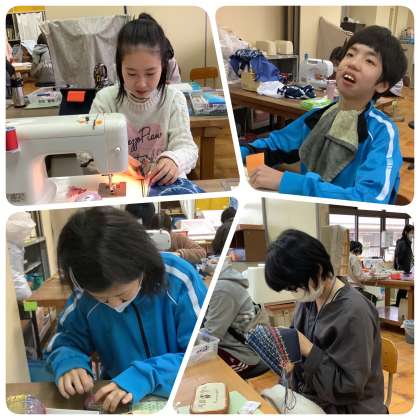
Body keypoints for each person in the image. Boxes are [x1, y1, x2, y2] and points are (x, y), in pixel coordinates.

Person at [45, 206, 206, 412]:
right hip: (117, 397)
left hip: (180, 395)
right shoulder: (84, 292)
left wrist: (146, 375)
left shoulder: (179, 279)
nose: (114, 305)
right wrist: (69, 362)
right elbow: (64, 341)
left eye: (122, 295)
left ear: (142, 265)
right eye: (102, 299)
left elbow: (202, 354)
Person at [241, 26, 407, 204]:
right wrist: (242, 154)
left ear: (382, 84)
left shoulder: (383, 132)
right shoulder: (320, 116)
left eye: (369, 61)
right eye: (350, 54)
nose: (353, 63)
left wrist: (286, 182)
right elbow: (274, 147)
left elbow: (370, 199)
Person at [262, 229, 386, 414]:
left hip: (348, 407)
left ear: (318, 269)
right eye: (289, 289)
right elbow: (295, 354)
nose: (295, 293)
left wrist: (307, 348)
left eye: (295, 286)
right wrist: (288, 361)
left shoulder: (354, 313)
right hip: (312, 395)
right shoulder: (308, 301)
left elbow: (349, 388)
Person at [85, 14, 198, 185]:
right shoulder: (106, 100)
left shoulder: (174, 99)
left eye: (150, 73)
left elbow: (188, 149)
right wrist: (115, 161)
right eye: (131, 74)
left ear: (163, 66)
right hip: (122, 182)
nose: (141, 84)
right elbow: (85, 153)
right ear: (119, 67)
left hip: (163, 184)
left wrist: (174, 160)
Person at [203, 220, 269, 379]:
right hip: (240, 346)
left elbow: (211, 336)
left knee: (202, 369)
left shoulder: (223, 288)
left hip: (243, 356)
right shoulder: (226, 279)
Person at [347, 240, 377, 305]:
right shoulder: (354, 258)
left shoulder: (345, 257)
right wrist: (371, 275)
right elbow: (360, 277)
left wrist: (367, 274)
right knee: (373, 298)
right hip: (354, 288)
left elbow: (354, 274)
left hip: (346, 289)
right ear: (357, 249)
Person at [394, 224, 414, 307]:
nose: (412, 234)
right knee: (403, 290)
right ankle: (398, 306)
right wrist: (402, 270)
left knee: (404, 290)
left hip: (407, 270)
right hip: (403, 270)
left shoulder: (408, 242)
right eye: (411, 232)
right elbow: (399, 258)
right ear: (406, 232)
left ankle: (400, 307)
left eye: (413, 232)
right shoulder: (402, 242)